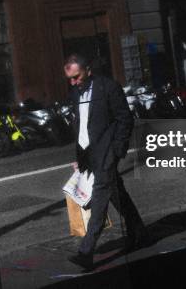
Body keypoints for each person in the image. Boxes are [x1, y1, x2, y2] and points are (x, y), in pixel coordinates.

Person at [64, 53, 148, 270]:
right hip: (88, 156)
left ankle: (86, 251)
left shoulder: (108, 87)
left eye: (76, 77)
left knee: (100, 200)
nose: (73, 82)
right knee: (116, 193)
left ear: (88, 70)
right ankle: (140, 232)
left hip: (105, 154)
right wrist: (79, 159)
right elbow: (81, 126)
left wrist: (117, 151)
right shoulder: (75, 92)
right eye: (70, 79)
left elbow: (124, 119)